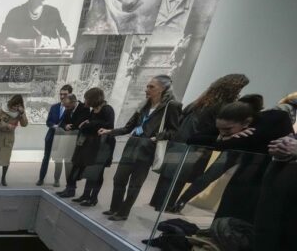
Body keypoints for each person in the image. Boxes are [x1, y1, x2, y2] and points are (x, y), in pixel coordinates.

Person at [150, 73, 249, 212]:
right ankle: (165, 205)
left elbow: (183, 115)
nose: (239, 93)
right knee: (178, 177)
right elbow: (215, 127)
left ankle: (159, 203)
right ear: (233, 89)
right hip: (195, 145)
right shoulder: (223, 106)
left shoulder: (202, 100)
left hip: (181, 141)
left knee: (171, 175)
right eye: (239, 89)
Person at [186, 101, 293, 224]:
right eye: (219, 129)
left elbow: (233, 144)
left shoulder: (274, 119)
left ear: (246, 123)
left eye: (227, 129)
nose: (222, 132)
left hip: (270, 177)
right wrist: (222, 138)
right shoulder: (230, 124)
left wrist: (226, 141)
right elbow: (192, 139)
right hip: (246, 172)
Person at [100, 75, 181, 221]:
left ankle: (123, 213)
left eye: (151, 87)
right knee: (119, 179)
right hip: (131, 146)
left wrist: (156, 138)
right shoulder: (144, 105)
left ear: (163, 89)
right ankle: (115, 208)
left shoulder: (172, 106)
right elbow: (128, 127)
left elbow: (174, 131)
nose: (147, 89)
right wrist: (110, 131)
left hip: (146, 150)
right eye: (147, 86)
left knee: (134, 185)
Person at [74, 88, 116, 206]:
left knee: (98, 171)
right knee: (91, 170)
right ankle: (86, 195)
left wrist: (90, 124)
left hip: (104, 145)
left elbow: (109, 125)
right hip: (93, 144)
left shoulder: (108, 109)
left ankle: (93, 198)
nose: (86, 101)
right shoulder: (94, 110)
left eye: (87, 98)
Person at [0, 94, 28, 187]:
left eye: (17, 106)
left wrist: (22, 113)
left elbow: (25, 124)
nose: (15, 108)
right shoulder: (4, 109)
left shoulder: (19, 113)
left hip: (9, 138)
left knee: (6, 159)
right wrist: (7, 125)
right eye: (14, 105)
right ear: (11, 103)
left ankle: (4, 178)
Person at [54, 93, 91, 198]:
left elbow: (81, 124)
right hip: (68, 139)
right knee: (68, 164)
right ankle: (68, 188)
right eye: (65, 106)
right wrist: (65, 125)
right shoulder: (68, 109)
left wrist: (72, 126)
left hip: (78, 141)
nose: (66, 108)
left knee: (73, 166)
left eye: (68, 106)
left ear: (74, 102)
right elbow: (61, 122)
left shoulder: (84, 109)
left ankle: (71, 189)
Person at [38, 84, 72, 186]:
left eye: (65, 94)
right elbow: (48, 122)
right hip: (51, 136)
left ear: (70, 94)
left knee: (59, 159)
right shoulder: (54, 107)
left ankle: (56, 180)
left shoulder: (71, 108)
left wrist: (61, 127)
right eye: (61, 94)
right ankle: (41, 179)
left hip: (62, 138)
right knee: (46, 158)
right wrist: (54, 126)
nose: (62, 96)